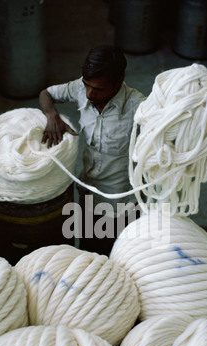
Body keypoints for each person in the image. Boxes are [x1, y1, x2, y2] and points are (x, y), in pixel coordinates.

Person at [39, 45, 146, 255]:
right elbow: (46, 94)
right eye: (87, 85)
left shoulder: (139, 107)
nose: (89, 94)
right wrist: (52, 116)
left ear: (118, 81)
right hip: (87, 191)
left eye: (98, 89)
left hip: (119, 204)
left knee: (116, 256)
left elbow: (170, 132)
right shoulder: (80, 88)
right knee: (87, 250)